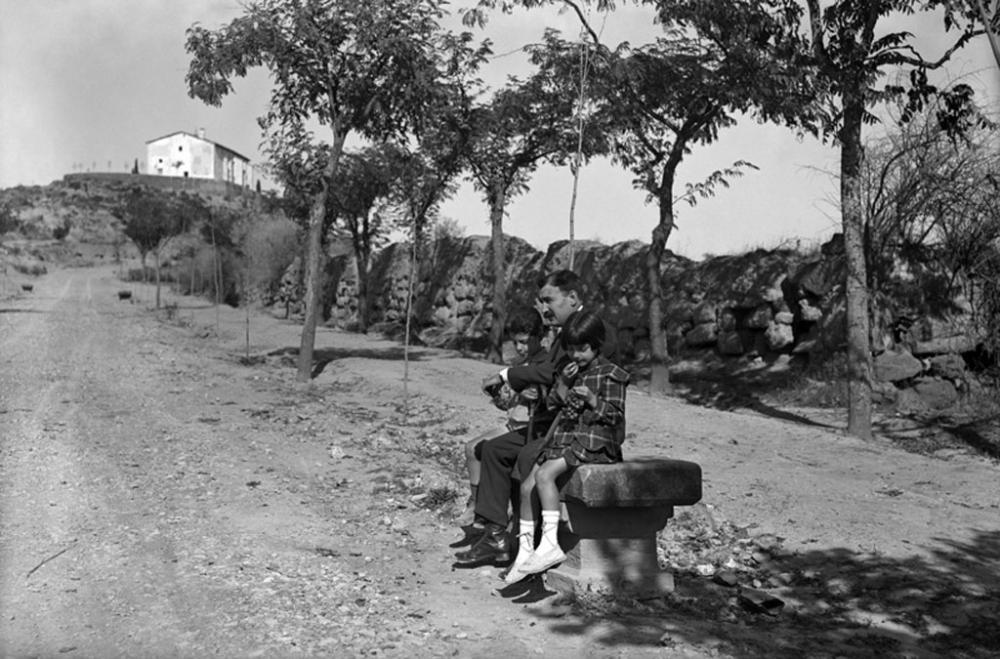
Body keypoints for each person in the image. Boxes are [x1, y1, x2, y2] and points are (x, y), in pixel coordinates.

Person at [454, 270, 618, 568]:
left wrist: (507, 374)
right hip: (557, 422)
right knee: (493, 449)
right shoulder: (563, 333)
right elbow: (554, 381)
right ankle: (496, 536)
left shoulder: (590, 329)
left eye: (549, 300)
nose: (544, 308)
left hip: (584, 431)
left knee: (526, 458)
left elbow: (555, 374)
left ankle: (529, 545)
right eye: (541, 301)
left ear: (572, 298)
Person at [503, 310, 629, 583]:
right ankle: (525, 553)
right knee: (527, 487)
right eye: (571, 349)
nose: (575, 355)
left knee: (544, 475)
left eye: (582, 349)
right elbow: (553, 406)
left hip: (595, 440)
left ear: (597, 344)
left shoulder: (612, 374)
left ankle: (549, 545)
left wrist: (594, 400)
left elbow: (616, 416)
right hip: (567, 437)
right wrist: (564, 383)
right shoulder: (573, 372)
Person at [457, 307, 545, 528]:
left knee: (488, 450)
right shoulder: (520, 364)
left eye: (525, 342)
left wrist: (523, 391)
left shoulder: (541, 364)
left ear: (539, 338)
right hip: (512, 423)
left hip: (528, 427)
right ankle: (476, 504)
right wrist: (498, 394)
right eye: (516, 342)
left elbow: (539, 396)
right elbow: (508, 403)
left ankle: (490, 512)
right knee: (470, 448)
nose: (520, 347)